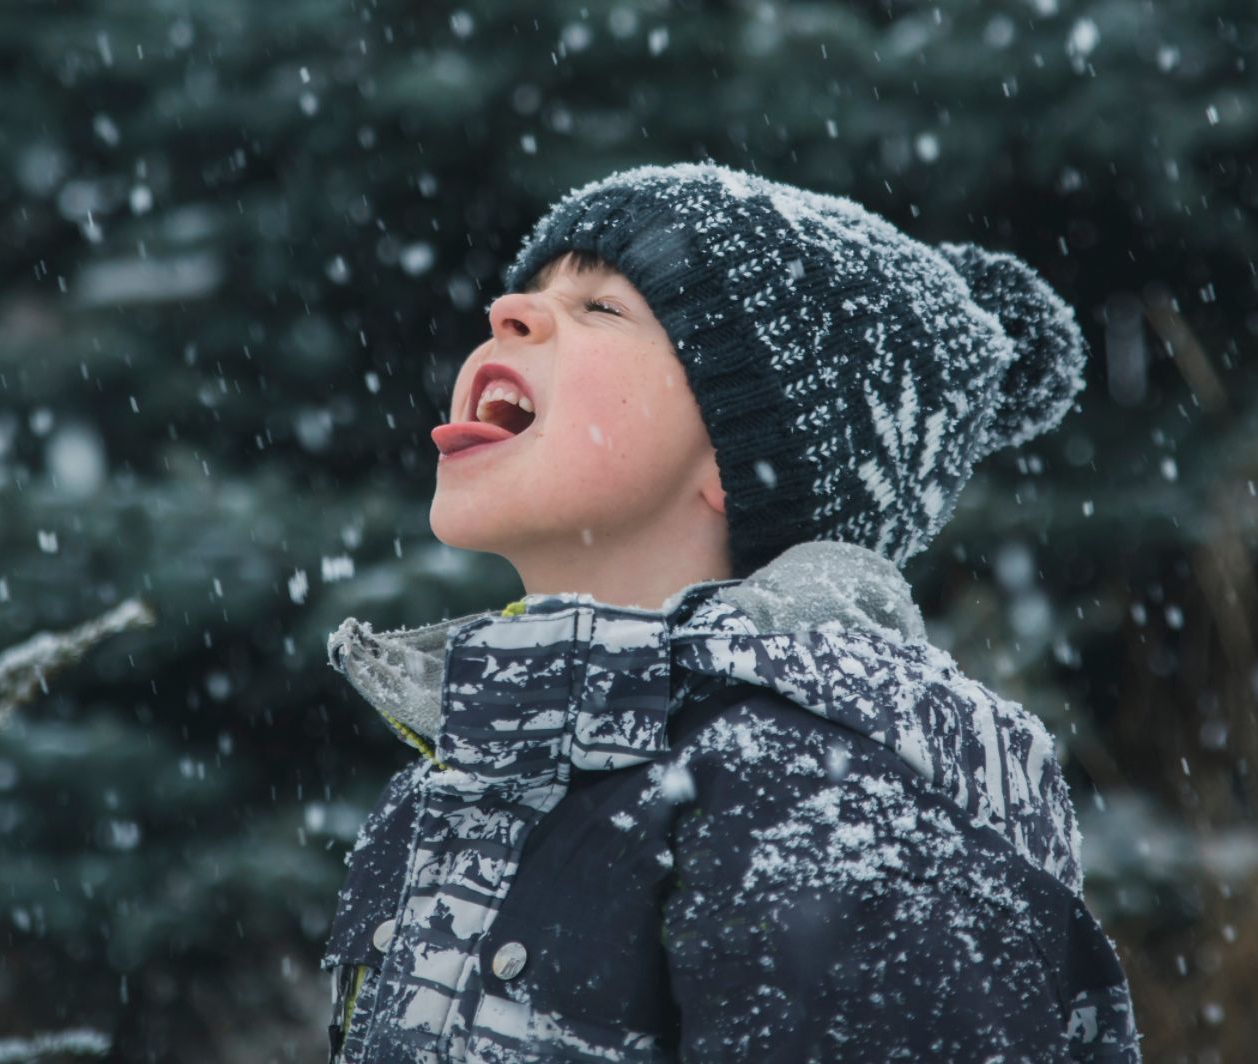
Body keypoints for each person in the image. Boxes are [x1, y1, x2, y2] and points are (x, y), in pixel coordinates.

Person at [321, 162, 1139, 1063]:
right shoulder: (447, 788)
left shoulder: (820, 801)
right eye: (530, 291)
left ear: (740, 460)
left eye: (603, 307)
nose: (507, 311)